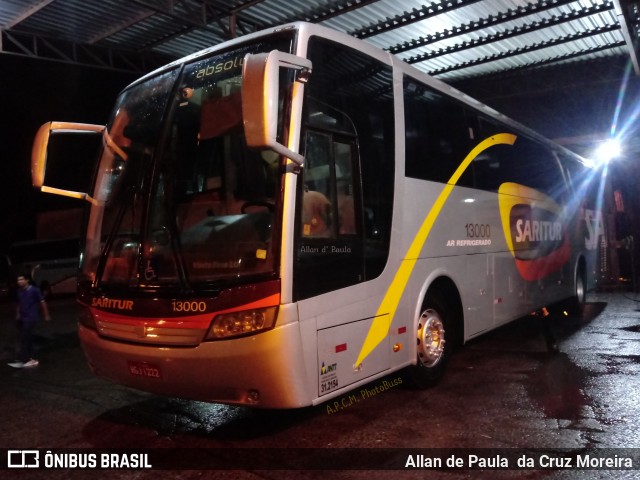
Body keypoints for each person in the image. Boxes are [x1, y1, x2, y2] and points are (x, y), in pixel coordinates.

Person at [8, 274, 51, 368]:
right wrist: (18, 315)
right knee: (26, 338)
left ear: (27, 280)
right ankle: (30, 358)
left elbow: (42, 302)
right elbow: (19, 303)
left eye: (21, 279)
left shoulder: (34, 290)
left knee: (24, 337)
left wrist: (46, 315)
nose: (19, 281)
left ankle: (24, 359)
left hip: (31, 317)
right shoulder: (19, 291)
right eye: (18, 280)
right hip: (22, 318)